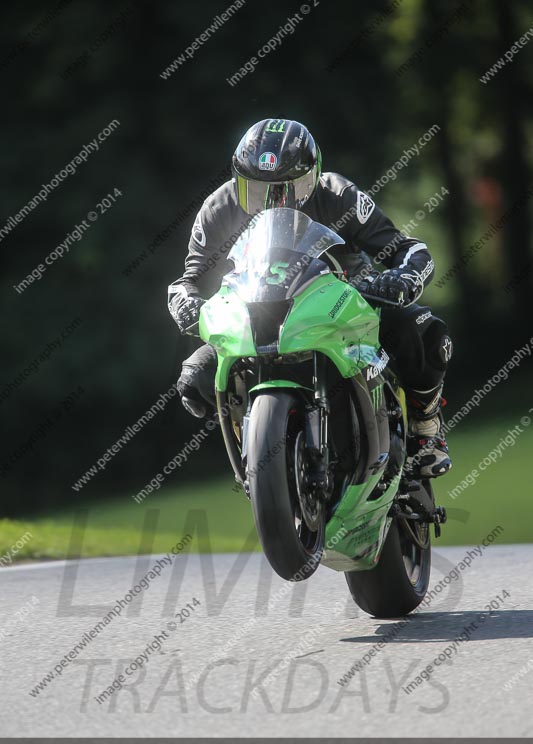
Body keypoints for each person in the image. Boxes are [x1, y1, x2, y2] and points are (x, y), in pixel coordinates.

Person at [168, 118, 453, 478]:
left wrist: (401, 278)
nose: (273, 201)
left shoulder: (339, 194)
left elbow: (410, 250)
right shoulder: (218, 207)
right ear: (238, 183)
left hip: (345, 305)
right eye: (257, 191)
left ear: (314, 176)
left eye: (289, 188)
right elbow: (187, 280)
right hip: (258, 314)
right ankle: (260, 455)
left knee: (422, 327)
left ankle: (426, 430)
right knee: (194, 379)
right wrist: (186, 304)